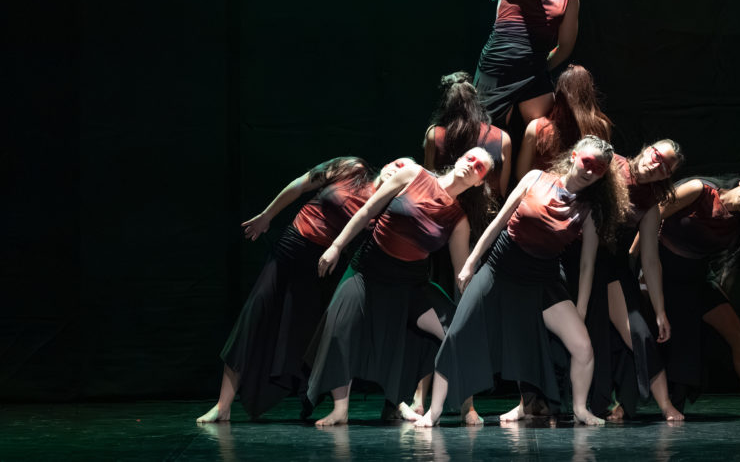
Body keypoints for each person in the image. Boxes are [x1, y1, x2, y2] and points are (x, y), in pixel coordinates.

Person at [415, 136, 629, 428]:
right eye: (587, 162)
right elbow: (498, 223)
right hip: (500, 269)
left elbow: (587, 264)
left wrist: (580, 308)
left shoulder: (589, 210)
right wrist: (470, 263)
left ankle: (580, 409)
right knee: (457, 335)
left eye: (599, 168)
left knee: (583, 347)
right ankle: (434, 411)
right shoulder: (535, 178)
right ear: (574, 156)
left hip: (543, 279)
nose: (591, 170)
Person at [196, 156, 407, 423]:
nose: (397, 171)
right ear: (387, 165)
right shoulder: (353, 169)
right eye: (397, 164)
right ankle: (223, 406)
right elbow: (300, 185)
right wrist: (267, 215)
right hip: (292, 248)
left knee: (326, 334)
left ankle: (352, 407)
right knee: (254, 315)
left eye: (404, 172)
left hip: (325, 266)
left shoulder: (388, 208)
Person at [305, 148, 494, 427]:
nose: (472, 165)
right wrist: (336, 246)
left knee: (455, 332)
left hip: (410, 285)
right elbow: (367, 210)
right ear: (458, 159)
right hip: (368, 272)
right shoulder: (412, 174)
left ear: (479, 182)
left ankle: (468, 407)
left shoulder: (458, 220)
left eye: (480, 167)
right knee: (339, 328)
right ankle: (340, 410)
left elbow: (461, 274)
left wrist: (474, 306)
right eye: (470, 158)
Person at [565, 141, 686, 422]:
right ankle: (541, 403)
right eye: (657, 156)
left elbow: (651, 260)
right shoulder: (610, 165)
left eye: (666, 167)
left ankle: (665, 404)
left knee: (639, 335)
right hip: (571, 255)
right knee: (572, 334)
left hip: (609, 266)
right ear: (647, 149)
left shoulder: (650, 203)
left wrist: (660, 311)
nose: (657, 165)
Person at [656, 175, 740, 418]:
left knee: (738, 335)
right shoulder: (700, 190)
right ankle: (622, 400)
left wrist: (721, 294)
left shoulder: (737, 227)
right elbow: (654, 216)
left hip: (696, 278)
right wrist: (636, 260)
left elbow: (728, 266)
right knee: (643, 332)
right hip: (660, 269)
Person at [474, 0, 581, 130]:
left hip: (535, 71)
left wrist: (538, 65)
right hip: (496, 68)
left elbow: (565, 46)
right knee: (487, 136)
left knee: (542, 134)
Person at [424, 71, 511, 199]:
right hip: (486, 208)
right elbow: (501, 192)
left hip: (443, 205)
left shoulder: (435, 134)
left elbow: (430, 183)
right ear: (475, 96)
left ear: (445, 102)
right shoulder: (502, 138)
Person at [516, 64, 613, 179]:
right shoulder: (601, 126)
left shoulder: (537, 127)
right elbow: (604, 168)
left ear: (559, 92)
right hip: (584, 188)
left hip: (543, 188)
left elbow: (521, 174)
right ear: (589, 92)